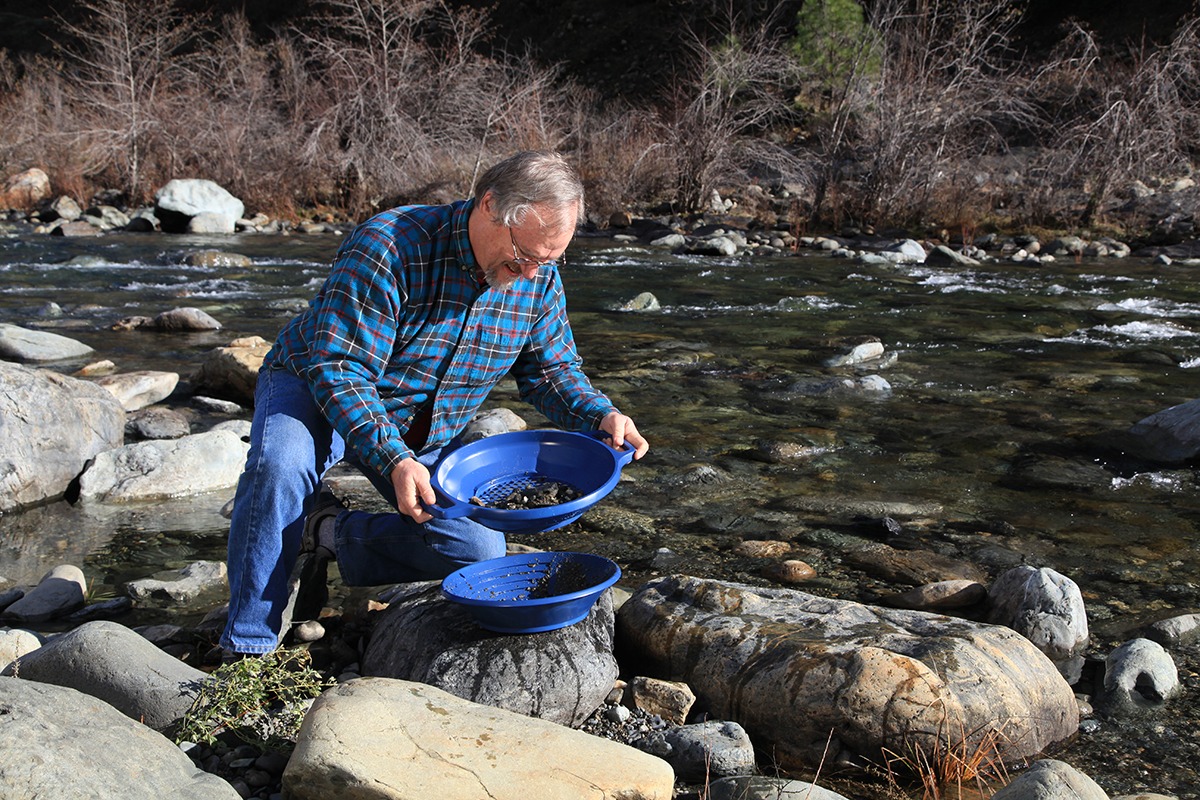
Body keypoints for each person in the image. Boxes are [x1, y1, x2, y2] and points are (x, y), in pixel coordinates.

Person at [220, 150, 649, 657]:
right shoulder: (390, 245)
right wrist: (394, 458)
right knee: (280, 468)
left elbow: (550, 371)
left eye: (548, 261)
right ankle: (246, 648)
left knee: (474, 549)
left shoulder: (536, 278)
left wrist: (600, 413)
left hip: (419, 424)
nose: (532, 273)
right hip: (315, 382)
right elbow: (342, 369)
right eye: (523, 258)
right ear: (488, 206)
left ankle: (326, 533)